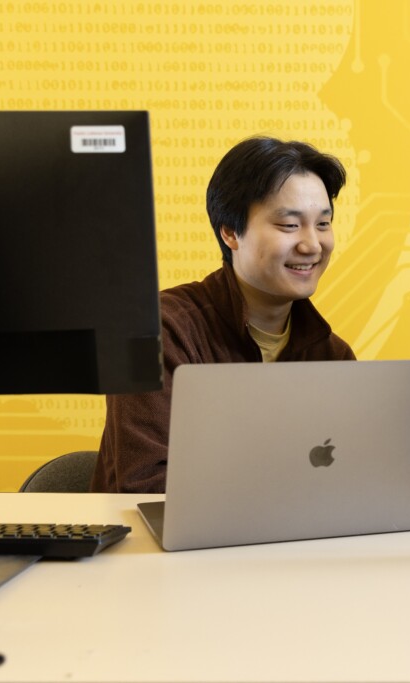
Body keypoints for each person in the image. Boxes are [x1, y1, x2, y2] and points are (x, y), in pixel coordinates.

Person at [91, 136, 356, 493]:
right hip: (156, 546)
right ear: (230, 232)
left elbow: (345, 477)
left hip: (287, 543)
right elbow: (146, 484)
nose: (312, 244)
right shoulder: (155, 331)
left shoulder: (332, 355)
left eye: (323, 224)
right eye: (290, 225)